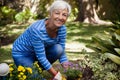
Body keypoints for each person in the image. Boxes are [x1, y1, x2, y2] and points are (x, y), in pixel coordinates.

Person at [12, 0, 71, 79]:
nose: (60, 17)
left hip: (39, 52)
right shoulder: (38, 29)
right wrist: (57, 75)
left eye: (64, 15)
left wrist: (68, 71)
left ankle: (35, 70)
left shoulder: (62, 29)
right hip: (22, 54)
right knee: (38, 78)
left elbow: (62, 51)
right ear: (50, 14)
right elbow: (41, 57)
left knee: (59, 49)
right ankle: (31, 71)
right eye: (57, 13)